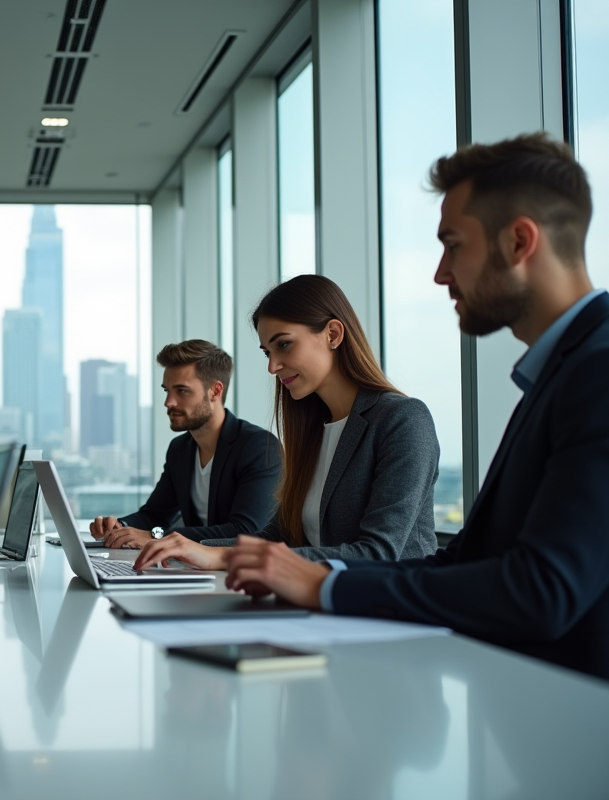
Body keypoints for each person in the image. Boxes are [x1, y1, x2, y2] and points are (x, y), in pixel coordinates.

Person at [220, 133, 609, 680]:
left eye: (453, 245)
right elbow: (465, 561)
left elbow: (542, 590)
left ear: (520, 242)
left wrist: (326, 583)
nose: (440, 273)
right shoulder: (557, 372)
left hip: (569, 719)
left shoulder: (597, 370)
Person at [136, 275, 440, 572]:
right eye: (268, 352)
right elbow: (278, 537)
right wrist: (194, 550)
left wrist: (222, 558)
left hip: (390, 613)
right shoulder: (312, 431)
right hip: (321, 607)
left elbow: (379, 554)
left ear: (333, 334)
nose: (272, 366)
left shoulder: (403, 420)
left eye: (283, 345)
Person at [90, 340, 281, 549]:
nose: (169, 402)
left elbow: (246, 531)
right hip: (196, 569)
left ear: (215, 391)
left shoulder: (259, 447)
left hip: (245, 573)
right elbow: (155, 515)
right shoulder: (180, 449)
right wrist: (120, 528)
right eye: (167, 391)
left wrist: (157, 537)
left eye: (181, 391)